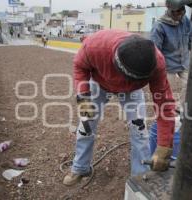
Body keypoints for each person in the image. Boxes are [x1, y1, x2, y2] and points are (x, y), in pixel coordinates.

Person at [63, 30, 175, 186]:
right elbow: (79, 66)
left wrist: (164, 146)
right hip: (99, 84)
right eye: (127, 78)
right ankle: (80, 167)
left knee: (140, 132)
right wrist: (84, 99)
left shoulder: (157, 64)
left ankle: (140, 177)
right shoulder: (95, 46)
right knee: (86, 125)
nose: (125, 83)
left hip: (132, 92)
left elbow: (165, 105)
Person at [149, 0, 192, 154]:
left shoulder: (185, 21)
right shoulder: (159, 27)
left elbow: (191, 39)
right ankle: (164, 115)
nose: (180, 14)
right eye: (178, 11)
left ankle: (181, 112)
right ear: (169, 10)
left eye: (182, 11)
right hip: (167, 64)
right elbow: (154, 51)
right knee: (163, 93)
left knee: (190, 84)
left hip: (184, 62)